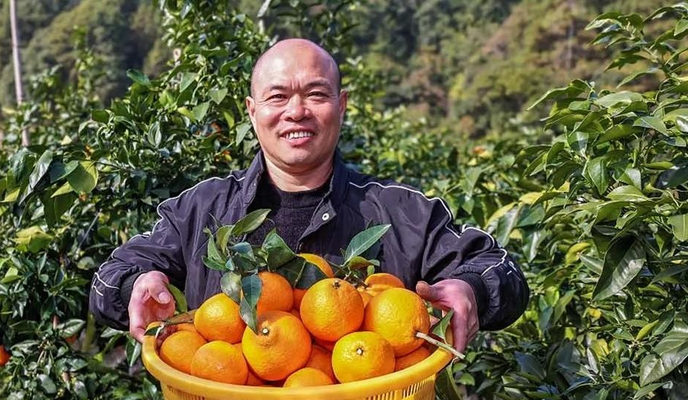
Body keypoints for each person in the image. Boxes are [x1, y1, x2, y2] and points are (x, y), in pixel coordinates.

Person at [89, 38, 529, 352]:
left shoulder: (402, 212)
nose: (296, 111)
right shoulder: (201, 210)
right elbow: (111, 277)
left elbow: (500, 269)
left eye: (316, 94)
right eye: (277, 96)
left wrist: (471, 289)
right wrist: (135, 286)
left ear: (342, 104)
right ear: (252, 111)